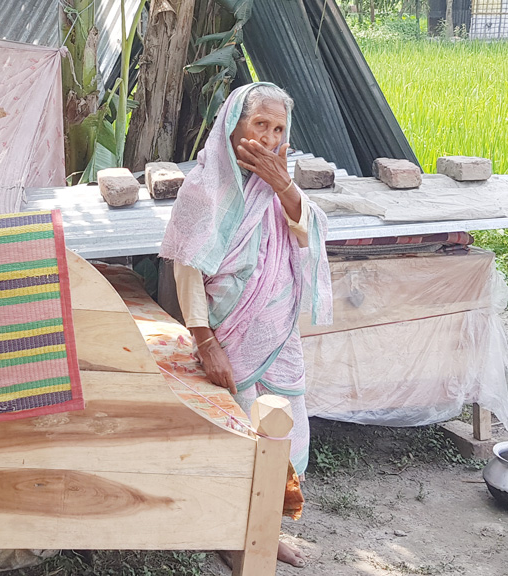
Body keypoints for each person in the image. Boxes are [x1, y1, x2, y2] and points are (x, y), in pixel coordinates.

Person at [159, 82, 332, 568]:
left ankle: (265, 529)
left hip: (278, 335)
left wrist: (283, 185)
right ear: (233, 127)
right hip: (228, 334)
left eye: (279, 129)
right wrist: (204, 340)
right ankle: (232, 534)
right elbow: (187, 269)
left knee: (286, 434)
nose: (270, 138)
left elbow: (308, 230)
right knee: (239, 437)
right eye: (260, 125)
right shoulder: (202, 188)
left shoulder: (279, 185)